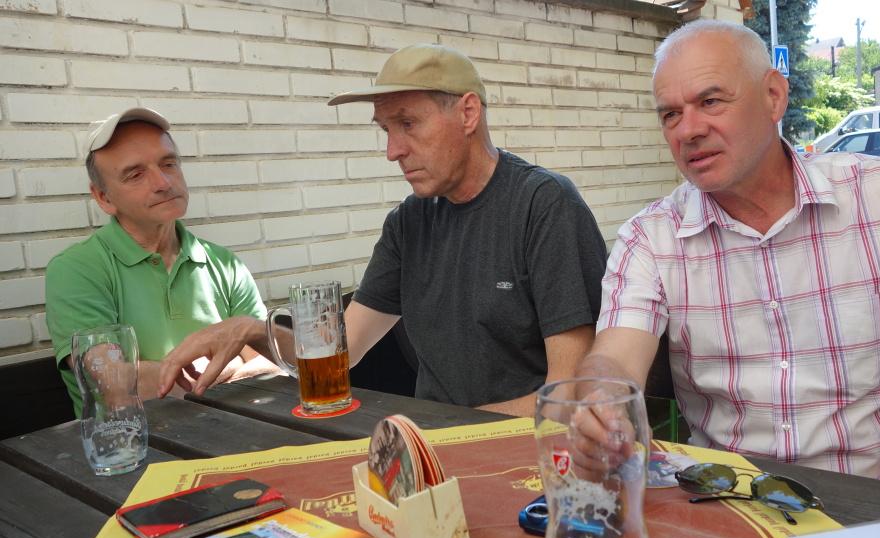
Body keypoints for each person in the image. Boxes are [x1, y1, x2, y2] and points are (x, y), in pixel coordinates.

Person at [159, 44, 607, 416]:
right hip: (430, 452)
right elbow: (342, 353)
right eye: (386, 129)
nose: (393, 151)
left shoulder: (543, 204)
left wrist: (439, 434)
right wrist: (251, 329)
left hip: (526, 457)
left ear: (468, 113)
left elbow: (569, 397)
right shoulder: (409, 222)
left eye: (408, 124)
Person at [578, 19, 880, 479]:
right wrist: (604, 402)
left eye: (710, 101)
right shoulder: (650, 238)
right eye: (670, 114)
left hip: (876, 494)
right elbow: (615, 359)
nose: (688, 130)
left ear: (773, 96)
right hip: (726, 499)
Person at [45, 108, 278, 417]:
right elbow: (116, 386)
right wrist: (232, 366)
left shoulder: (224, 263)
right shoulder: (76, 270)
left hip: (243, 432)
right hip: (137, 443)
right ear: (103, 198)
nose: (163, 182)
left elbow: (274, 366)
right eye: (135, 174)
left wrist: (167, 374)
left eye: (168, 164)